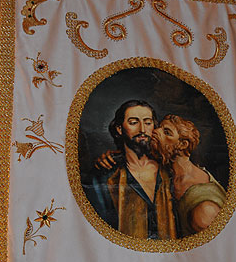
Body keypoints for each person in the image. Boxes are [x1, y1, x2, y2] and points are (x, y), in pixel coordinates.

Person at [84, 100, 177, 239]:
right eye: (133, 123)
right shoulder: (105, 176)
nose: (142, 130)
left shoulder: (169, 170)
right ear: (119, 129)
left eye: (148, 123)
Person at [150, 114, 226, 236]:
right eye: (159, 127)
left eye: (167, 132)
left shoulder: (204, 207)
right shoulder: (168, 174)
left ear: (182, 144)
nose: (155, 131)